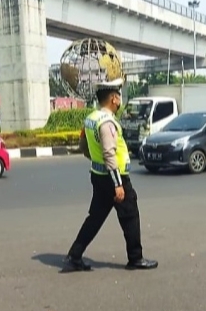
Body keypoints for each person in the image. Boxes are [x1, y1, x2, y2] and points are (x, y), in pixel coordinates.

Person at [65, 78, 158, 271]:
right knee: (130, 215)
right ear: (114, 99)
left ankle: (75, 254)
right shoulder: (107, 123)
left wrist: (95, 159)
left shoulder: (91, 118)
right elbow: (109, 153)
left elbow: (84, 147)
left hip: (98, 175)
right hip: (114, 177)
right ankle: (135, 258)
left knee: (95, 217)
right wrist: (118, 184)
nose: (120, 100)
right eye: (119, 96)